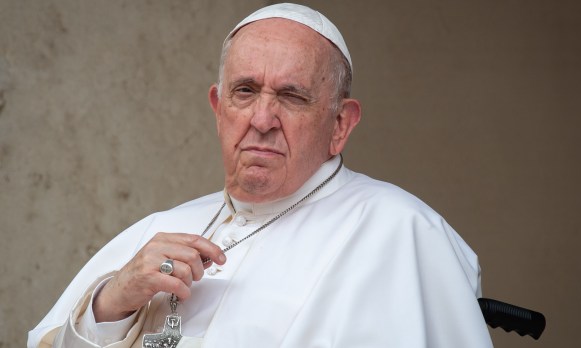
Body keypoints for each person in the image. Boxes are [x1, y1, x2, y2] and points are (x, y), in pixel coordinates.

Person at [29, 3, 493, 347]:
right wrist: (111, 305)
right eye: (245, 91)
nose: (262, 118)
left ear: (340, 124)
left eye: (292, 96)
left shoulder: (405, 233)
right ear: (218, 109)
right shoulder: (158, 229)